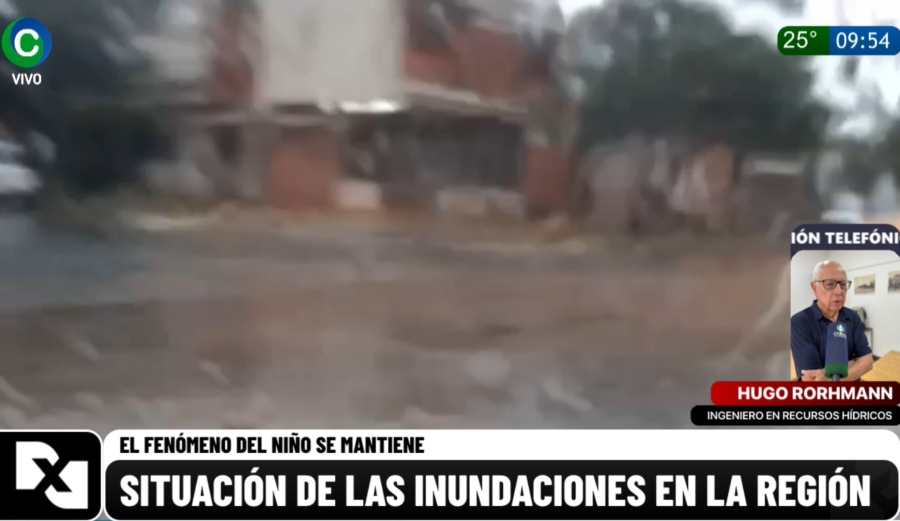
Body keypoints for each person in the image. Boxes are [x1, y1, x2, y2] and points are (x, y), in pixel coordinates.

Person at [790, 260, 873, 381]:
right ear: (814, 288)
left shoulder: (853, 316)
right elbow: (812, 380)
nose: (839, 291)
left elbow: (867, 362)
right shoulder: (799, 322)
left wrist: (831, 376)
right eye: (829, 284)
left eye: (843, 284)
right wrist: (854, 363)